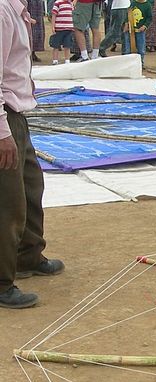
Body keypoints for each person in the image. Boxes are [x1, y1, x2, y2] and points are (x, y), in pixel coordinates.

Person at [1, 0, 65, 309]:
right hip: (4, 116)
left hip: (18, 113)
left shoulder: (18, 9)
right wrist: (2, 133)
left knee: (31, 186)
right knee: (8, 201)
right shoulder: (1, 11)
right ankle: (1, 282)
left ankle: (27, 256)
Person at [49, 0, 74, 65]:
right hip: (59, 28)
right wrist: (53, 26)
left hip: (69, 28)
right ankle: (55, 60)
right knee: (56, 45)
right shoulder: (58, 3)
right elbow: (54, 15)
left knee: (67, 45)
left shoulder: (70, 3)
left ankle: (67, 60)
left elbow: (72, 14)